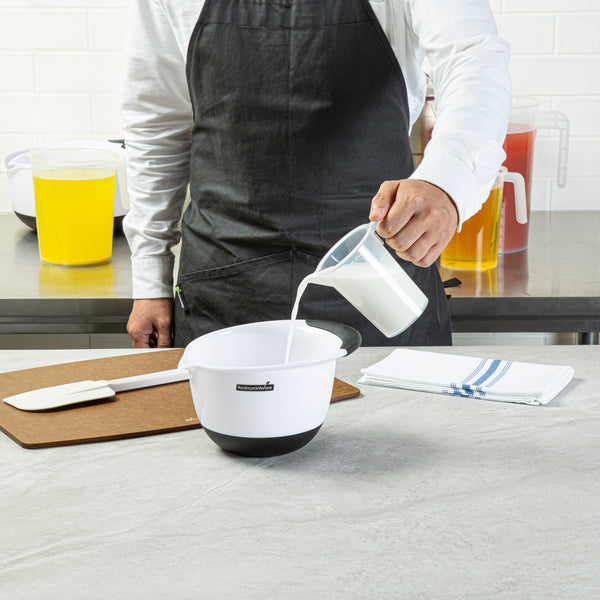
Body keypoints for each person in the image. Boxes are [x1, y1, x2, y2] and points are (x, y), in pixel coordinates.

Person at [121, 0, 511, 349]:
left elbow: (472, 58)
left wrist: (445, 181)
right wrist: (151, 279)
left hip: (380, 282)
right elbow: (157, 121)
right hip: (224, 291)